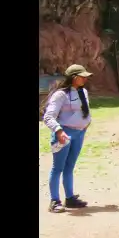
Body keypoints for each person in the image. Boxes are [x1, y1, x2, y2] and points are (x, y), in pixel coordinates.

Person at [42, 64, 93, 213]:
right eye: (82, 76)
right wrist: (58, 131)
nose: (85, 78)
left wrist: (86, 124)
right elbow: (48, 117)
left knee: (70, 167)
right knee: (58, 168)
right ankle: (54, 201)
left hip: (79, 134)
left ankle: (70, 198)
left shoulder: (83, 91)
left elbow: (85, 110)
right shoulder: (60, 95)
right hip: (63, 135)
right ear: (74, 78)